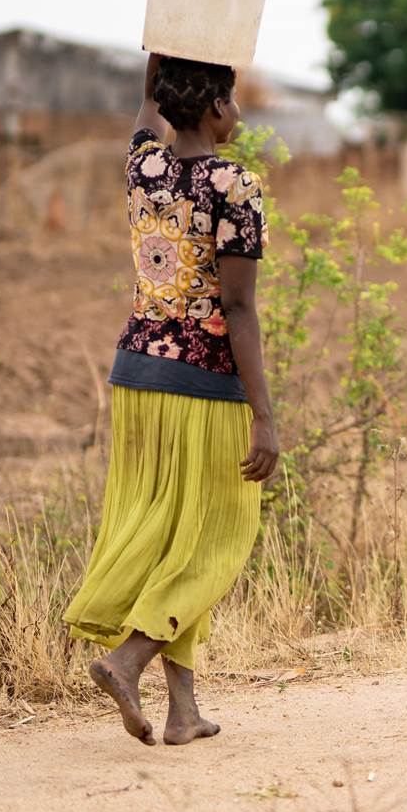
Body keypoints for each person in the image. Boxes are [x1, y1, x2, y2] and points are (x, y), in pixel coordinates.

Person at [61, 52, 280, 744]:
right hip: (205, 385)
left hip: (135, 377)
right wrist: (265, 416)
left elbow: (142, 113)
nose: (240, 115)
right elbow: (238, 310)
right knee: (217, 537)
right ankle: (128, 660)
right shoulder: (235, 185)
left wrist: (164, 33)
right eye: (235, 103)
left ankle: (184, 711)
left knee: (173, 539)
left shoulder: (141, 168)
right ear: (213, 108)